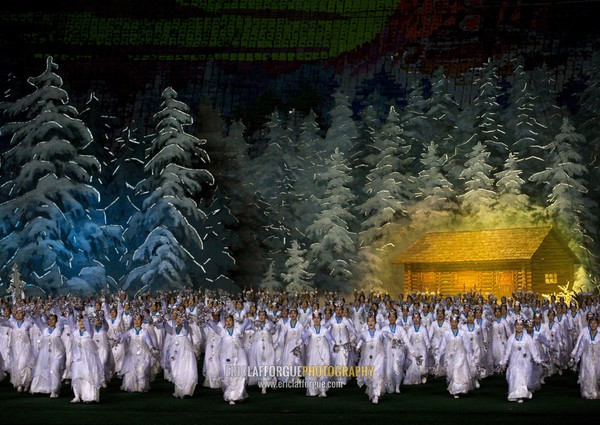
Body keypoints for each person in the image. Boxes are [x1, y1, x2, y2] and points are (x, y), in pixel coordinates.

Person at [207, 314, 252, 405]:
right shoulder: (222, 332)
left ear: (233, 322)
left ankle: (238, 395)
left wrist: (248, 317)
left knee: (239, 375)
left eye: (230, 320)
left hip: (239, 356)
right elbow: (212, 325)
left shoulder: (237, 331)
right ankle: (231, 396)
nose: (228, 322)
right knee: (228, 376)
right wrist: (208, 318)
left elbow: (246, 323)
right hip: (226, 358)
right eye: (226, 321)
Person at [499, 317, 542, 403]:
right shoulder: (511, 338)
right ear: (515, 326)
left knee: (523, 379)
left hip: (525, 363)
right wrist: (503, 362)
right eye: (517, 325)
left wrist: (538, 359)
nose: (519, 327)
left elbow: (533, 349)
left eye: (521, 325)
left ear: (523, 326)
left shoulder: (527, 338)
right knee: (515, 377)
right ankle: (517, 394)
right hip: (514, 362)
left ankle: (522, 394)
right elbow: (507, 352)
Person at [435, 315, 476, 399]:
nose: (453, 324)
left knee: (457, 371)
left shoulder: (463, 332)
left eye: (455, 322)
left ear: (458, 323)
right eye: (452, 322)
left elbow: (467, 345)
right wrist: (438, 356)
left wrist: (471, 356)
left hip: (461, 355)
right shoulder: (446, 333)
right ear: (450, 322)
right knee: (450, 373)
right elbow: (442, 345)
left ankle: (456, 391)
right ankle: (454, 387)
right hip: (449, 356)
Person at [68, 311, 105, 403]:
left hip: (88, 359)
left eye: (83, 321)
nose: (82, 323)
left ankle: (89, 396)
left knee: (87, 375)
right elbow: (69, 322)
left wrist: (85, 316)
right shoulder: (75, 332)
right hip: (77, 359)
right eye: (80, 321)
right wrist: (70, 312)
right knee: (76, 376)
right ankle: (77, 396)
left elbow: (88, 324)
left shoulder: (89, 332)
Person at [119, 313, 157, 393]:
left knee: (141, 370)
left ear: (141, 321)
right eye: (135, 319)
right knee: (130, 371)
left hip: (143, 354)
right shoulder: (131, 331)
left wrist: (152, 349)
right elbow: (123, 337)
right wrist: (118, 338)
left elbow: (149, 343)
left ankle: (141, 387)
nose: (136, 321)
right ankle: (131, 386)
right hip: (132, 354)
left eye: (138, 319)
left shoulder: (145, 332)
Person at [30, 313, 66, 397]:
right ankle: (44, 387)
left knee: (54, 370)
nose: (51, 321)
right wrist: (34, 313)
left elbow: (61, 322)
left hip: (57, 354)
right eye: (49, 319)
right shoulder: (45, 330)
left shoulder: (58, 330)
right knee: (44, 370)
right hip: (46, 354)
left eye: (53, 319)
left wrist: (61, 313)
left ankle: (54, 390)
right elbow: (38, 321)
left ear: (56, 321)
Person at [0, 307, 35, 392]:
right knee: (16, 366)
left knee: (23, 366)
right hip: (15, 349)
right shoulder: (13, 323)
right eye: (17, 313)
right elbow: (3, 322)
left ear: (23, 314)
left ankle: (23, 383)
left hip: (26, 348)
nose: (18, 314)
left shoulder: (27, 323)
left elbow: (36, 322)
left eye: (20, 313)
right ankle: (22, 384)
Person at [163, 312, 198, 398]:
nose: (178, 320)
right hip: (176, 352)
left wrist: (185, 319)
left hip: (185, 352)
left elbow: (186, 325)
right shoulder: (173, 329)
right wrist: (163, 320)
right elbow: (165, 326)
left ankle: (187, 390)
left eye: (180, 318)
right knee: (177, 369)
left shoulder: (186, 328)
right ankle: (179, 390)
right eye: (177, 318)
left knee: (186, 368)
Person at [302, 312, 334, 397]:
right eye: (314, 318)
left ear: (321, 319)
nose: (316, 320)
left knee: (323, 370)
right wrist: (303, 343)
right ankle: (313, 391)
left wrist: (334, 344)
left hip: (323, 353)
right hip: (313, 354)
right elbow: (303, 338)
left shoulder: (324, 330)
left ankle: (322, 390)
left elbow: (330, 339)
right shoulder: (310, 330)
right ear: (312, 320)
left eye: (318, 318)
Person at [356, 314, 386, 404]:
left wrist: (392, 338)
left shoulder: (380, 333)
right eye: (369, 321)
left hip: (378, 358)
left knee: (377, 375)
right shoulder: (363, 333)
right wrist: (355, 344)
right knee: (367, 377)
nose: (370, 323)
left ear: (375, 322)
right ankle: (372, 392)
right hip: (367, 358)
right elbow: (358, 340)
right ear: (366, 323)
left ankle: (376, 395)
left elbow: (386, 337)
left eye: (372, 321)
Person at [247, 309, 277, 394]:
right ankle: (263, 384)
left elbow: (274, 331)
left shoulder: (268, 324)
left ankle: (271, 380)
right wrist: (250, 321)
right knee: (260, 365)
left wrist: (273, 328)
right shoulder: (255, 324)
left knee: (269, 364)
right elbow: (247, 328)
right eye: (260, 315)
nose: (261, 316)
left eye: (263, 315)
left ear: (265, 316)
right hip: (258, 348)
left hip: (268, 347)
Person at [570, 313, 600, 399]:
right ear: (589, 324)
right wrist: (576, 358)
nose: (593, 324)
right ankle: (588, 392)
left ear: (597, 324)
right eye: (591, 323)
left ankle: (596, 390)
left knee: (596, 373)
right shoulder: (585, 336)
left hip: (597, 358)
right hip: (587, 358)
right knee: (589, 373)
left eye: (595, 323)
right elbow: (580, 348)